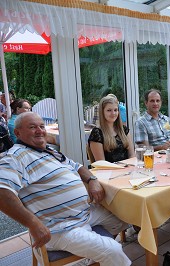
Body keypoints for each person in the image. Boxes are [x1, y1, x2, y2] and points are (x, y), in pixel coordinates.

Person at [0, 112, 131, 265]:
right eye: (32, 127)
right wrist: (33, 224)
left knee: (124, 216)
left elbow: (78, 166)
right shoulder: (15, 157)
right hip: (59, 227)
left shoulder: (49, 151)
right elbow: (2, 192)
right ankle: (100, 254)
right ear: (17, 133)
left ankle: (91, 258)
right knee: (113, 251)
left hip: (83, 214)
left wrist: (92, 179)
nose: (39, 130)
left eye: (42, 126)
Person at [88, 94, 134, 162]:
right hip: (109, 171)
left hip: (128, 170)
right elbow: (101, 164)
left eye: (115, 110)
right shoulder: (97, 134)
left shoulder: (124, 130)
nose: (113, 113)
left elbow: (132, 155)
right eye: (109, 110)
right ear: (102, 112)